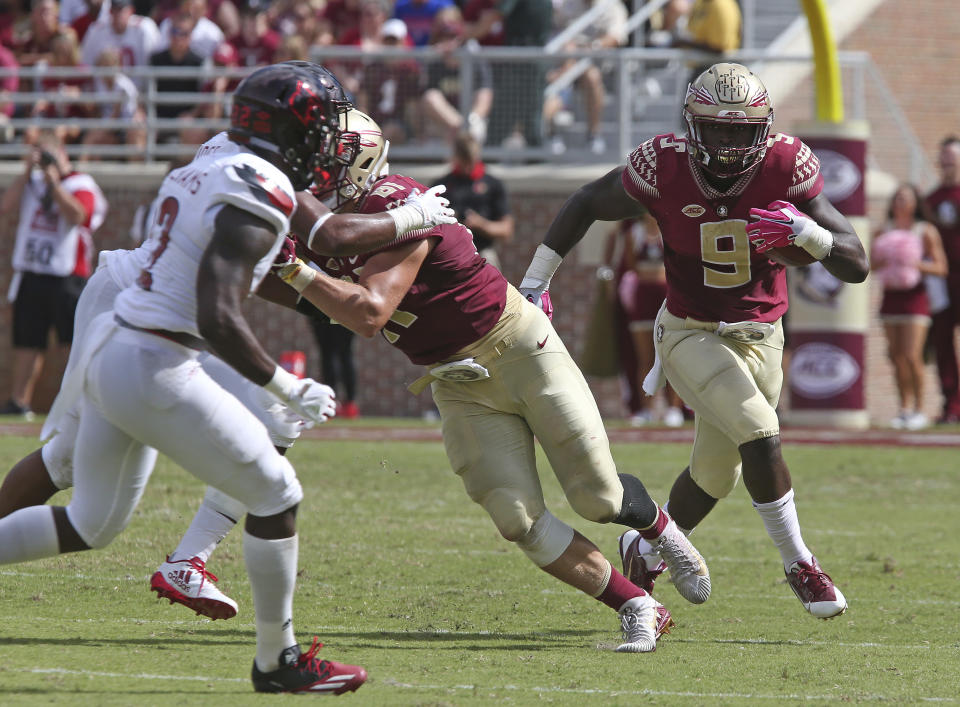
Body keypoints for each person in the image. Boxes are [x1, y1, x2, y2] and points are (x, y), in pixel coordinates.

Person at [0, 63, 434, 695]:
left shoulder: (215, 161)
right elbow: (219, 311)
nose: (325, 145)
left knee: (93, 522)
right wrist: (287, 385)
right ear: (292, 130)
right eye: (319, 131)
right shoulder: (258, 190)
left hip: (121, 340)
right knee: (277, 493)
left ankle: (235, 616)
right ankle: (276, 661)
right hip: (153, 360)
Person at [280, 108, 711, 654]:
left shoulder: (399, 204)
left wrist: (294, 269)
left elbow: (368, 313)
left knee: (597, 497)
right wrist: (265, 270)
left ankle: (657, 531)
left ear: (362, 159)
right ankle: (636, 604)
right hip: (455, 379)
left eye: (329, 160)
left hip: (517, 347)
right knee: (515, 517)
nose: (317, 172)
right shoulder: (323, 224)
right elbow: (313, 292)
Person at [519, 63, 868, 620]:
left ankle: (647, 546)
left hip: (763, 335)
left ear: (763, 128)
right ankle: (799, 563)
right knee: (761, 430)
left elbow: (856, 263)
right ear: (691, 125)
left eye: (740, 129)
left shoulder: (784, 165)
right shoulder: (665, 166)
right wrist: (535, 281)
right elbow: (587, 201)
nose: (728, 143)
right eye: (716, 129)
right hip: (690, 332)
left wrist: (808, 232)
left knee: (716, 474)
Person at [1, 132, 107, 419]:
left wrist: (54, 181)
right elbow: (5, 207)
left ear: (62, 153)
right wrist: (26, 173)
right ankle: (19, 402)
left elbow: (78, 216)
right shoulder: (31, 183)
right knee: (27, 341)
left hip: (68, 274)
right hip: (33, 271)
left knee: (71, 341)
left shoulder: (80, 183)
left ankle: (76, 402)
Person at [872, 184, 947, 430]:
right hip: (891, 297)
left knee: (912, 355)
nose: (901, 203)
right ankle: (903, 408)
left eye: (906, 198)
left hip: (916, 298)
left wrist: (914, 263)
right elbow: (870, 265)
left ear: (915, 203)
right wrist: (883, 261)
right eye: (898, 198)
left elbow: (940, 267)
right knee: (896, 356)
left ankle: (919, 409)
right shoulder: (883, 231)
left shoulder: (925, 230)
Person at [607, 213, 684, 427]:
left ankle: (673, 409)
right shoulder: (634, 234)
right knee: (645, 357)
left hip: (666, 296)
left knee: (670, 356)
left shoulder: (670, 230)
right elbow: (631, 267)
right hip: (643, 298)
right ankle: (646, 409)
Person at [432, 131, 513, 271]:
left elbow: (506, 230)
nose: (467, 168)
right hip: (449, 253)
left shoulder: (493, 184)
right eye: (464, 162)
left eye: (470, 162)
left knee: (492, 279)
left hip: (482, 251)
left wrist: (480, 224)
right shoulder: (442, 185)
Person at [925, 136, 960, 424]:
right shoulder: (932, 200)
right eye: (944, 158)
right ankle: (952, 406)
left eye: (952, 158)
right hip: (942, 282)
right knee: (943, 344)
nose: (947, 163)